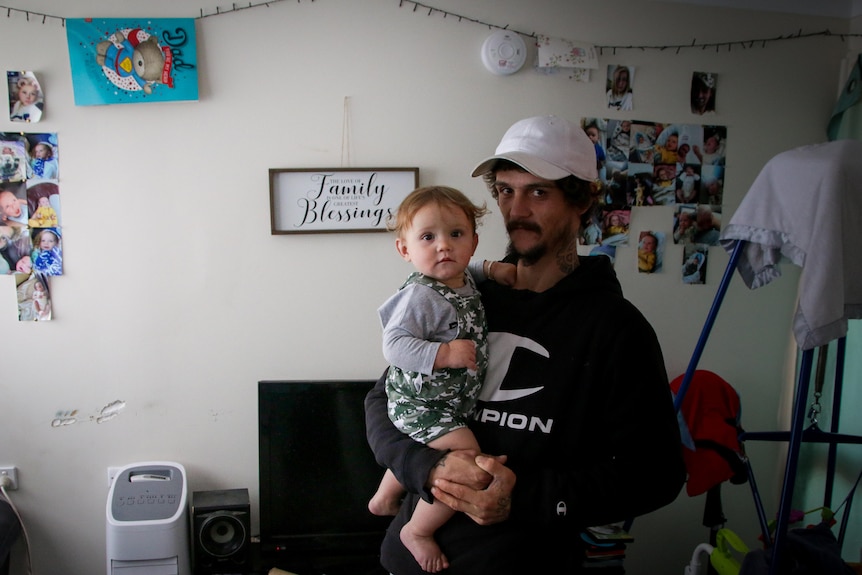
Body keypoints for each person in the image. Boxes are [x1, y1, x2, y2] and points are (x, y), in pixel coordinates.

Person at [365, 115, 685, 574]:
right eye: (506, 190)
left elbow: (656, 477)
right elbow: (384, 398)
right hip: (407, 561)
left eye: (538, 191)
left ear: (582, 201)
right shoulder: (461, 294)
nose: (516, 209)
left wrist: (523, 497)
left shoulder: (616, 329)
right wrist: (423, 467)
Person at [369, 185, 515, 573]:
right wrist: (444, 354)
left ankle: (384, 497)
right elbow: (394, 346)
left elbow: (473, 270)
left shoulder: (461, 278)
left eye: (456, 235)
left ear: (473, 241)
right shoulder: (421, 294)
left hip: (441, 401)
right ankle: (416, 531)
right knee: (465, 459)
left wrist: (493, 269)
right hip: (422, 403)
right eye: (428, 237)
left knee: (427, 445)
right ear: (405, 250)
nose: (443, 246)